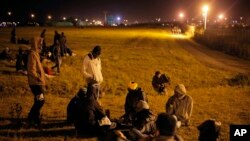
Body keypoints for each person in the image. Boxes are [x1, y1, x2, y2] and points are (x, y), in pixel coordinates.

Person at [27, 37, 46, 126]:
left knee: (38, 100)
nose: (41, 45)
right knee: (41, 101)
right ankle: (31, 117)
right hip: (35, 83)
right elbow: (31, 69)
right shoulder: (32, 54)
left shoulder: (36, 54)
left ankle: (35, 118)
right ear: (36, 44)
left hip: (37, 82)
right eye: (40, 43)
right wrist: (38, 77)